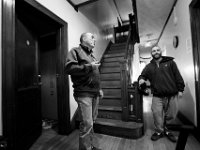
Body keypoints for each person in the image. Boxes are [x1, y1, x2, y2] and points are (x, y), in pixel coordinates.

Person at [138, 45, 185, 142]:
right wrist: (141, 80)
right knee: (156, 114)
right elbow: (142, 75)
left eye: (157, 50)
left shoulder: (170, 62)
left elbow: (178, 76)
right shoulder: (149, 66)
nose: (156, 52)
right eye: (154, 51)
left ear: (161, 51)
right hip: (157, 95)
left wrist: (181, 90)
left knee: (172, 114)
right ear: (152, 53)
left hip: (172, 94)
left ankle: (167, 130)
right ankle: (159, 131)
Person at [65, 32, 103, 150]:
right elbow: (69, 68)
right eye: (92, 37)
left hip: (94, 93)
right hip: (83, 93)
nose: (94, 39)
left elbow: (95, 74)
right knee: (87, 124)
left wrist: (99, 89)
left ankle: (90, 146)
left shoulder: (92, 55)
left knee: (91, 122)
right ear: (83, 39)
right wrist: (90, 66)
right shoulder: (75, 51)